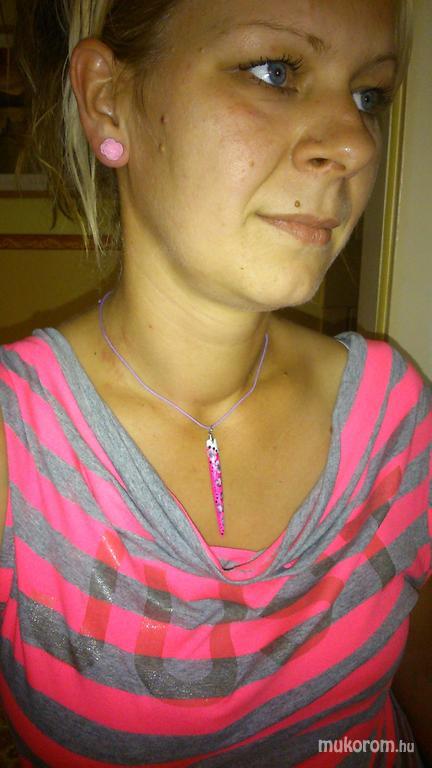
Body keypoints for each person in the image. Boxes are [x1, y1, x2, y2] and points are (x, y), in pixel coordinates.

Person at [0, 0, 431, 765]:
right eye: (275, 71)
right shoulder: (16, 450)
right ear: (107, 98)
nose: (354, 142)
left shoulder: (392, 410)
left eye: (369, 95)